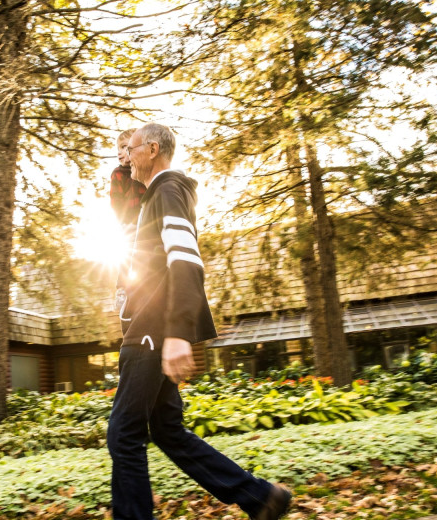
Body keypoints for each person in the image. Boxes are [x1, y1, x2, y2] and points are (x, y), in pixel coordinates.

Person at [107, 123, 292, 520]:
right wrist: (123, 171)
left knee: (123, 435)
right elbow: (124, 203)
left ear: (152, 149)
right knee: (168, 432)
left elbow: (187, 261)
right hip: (152, 328)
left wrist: (176, 333)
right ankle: (260, 498)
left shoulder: (168, 191)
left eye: (132, 148)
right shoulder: (157, 194)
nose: (126, 154)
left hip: (152, 332)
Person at [109, 128, 147, 311]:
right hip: (128, 222)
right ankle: (122, 290)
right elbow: (115, 200)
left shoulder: (142, 171)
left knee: (145, 256)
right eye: (118, 148)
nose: (119, 152)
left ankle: (143, 289)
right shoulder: (117, 173)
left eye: (124, 147)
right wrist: (122, 221)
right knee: (126, 257)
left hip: (146, 221)